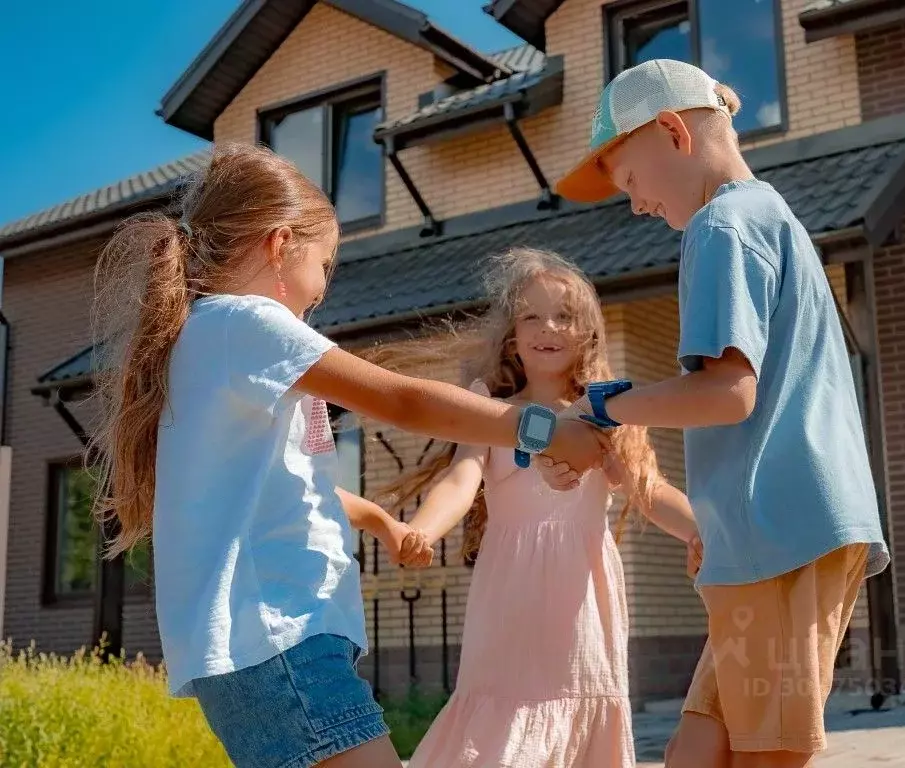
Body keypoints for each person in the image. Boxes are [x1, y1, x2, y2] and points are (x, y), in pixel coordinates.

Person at [86, 142, 603, 768]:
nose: (324, 289)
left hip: (268, 648)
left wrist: (380, 520)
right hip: (280, 639)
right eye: (326, 264)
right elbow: (406, 402)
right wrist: (544, 430)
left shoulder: (214, 338)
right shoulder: (246, 323)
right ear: (280, 245)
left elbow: (285, 487)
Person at [552, 59, 891, 768]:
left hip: (780, 531)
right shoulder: (768, 215)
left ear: (672, 132)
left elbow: (727, 393)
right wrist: (718, 521)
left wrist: (609, 408)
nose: (637, 206)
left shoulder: (720, 227)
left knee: (765, 752)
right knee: (697, 746)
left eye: (632, 183)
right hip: (774, 526)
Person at [368, 247, 702, 768]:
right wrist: (424, 530)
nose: (548, 327)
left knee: (579, 694)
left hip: (581, 593)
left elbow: (648, 489)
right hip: (509, 590)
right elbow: (462, 478)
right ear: (512, 334)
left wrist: (701, 533)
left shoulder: (608, 409)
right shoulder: (491, 408)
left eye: (564, 316)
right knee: (502, 717)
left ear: (589, 331)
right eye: (531, 315)